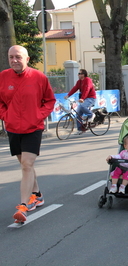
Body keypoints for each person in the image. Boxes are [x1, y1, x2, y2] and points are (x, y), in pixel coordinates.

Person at [0, 45, 56, 223]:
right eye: (11, 57)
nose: (14, 60)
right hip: (13, 128)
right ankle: (37, 195)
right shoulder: (3, 77)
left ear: (27, 59)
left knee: (26, 164)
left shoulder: (39, 77)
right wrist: (5, 115)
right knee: (26, 165)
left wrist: (38, 116)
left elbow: (49, 100)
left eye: (18, 57)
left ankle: (23, 207)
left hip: (33, 128)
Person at [64, 69, 96, 135]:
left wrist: (82, 98)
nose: (79, 75)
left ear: (84, 74)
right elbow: (75, 88)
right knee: (78, 114)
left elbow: (87, 90)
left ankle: (91, 115)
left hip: (91, 98)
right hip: (84, 98)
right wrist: (68, 95)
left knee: (82, 106)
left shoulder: (87, 80)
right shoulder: (79, 82)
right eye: (79, 73)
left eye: (81, 73)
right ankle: (81, 129)